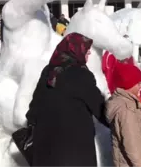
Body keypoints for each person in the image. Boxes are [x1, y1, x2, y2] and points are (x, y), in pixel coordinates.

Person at [26, 33, 108, 167]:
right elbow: (100, 108)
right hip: (73, 148)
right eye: (86, 50)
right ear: (76, 50)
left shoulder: (49, 71)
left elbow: (35, 105)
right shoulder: (81, 75)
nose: (89, 54)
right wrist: (119, 119)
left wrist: (32, 124)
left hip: (46, 146)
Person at [106, 62, 141, 167]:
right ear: (128, 84)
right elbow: (132, 144)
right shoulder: (126, 109)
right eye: (138, 83)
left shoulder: (130, 102)